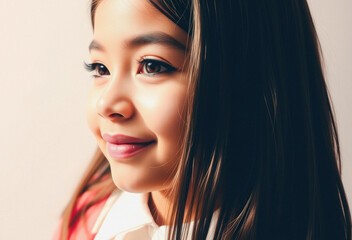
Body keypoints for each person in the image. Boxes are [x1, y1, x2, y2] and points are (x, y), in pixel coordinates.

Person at [55, 0, 352, 239]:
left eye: (152, 66)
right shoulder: (88, 219)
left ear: (250, 79)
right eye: (100, 67)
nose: (107, 103)